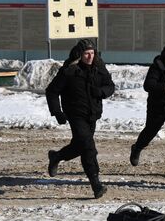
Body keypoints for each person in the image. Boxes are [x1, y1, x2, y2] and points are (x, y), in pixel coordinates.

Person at [45, 39, 115, 198]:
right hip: (75, 114)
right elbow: (52, 91)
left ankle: (57, 156)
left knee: (80, 146)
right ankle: (96, 185)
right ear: (80, 55)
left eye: (92, 53)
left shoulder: (99, 67)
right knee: (89, 147)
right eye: (86, 54)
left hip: (92, 114)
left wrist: (102, 92)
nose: (90, 57)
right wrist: (57, 112)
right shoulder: (70, 70)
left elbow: (110, 86)